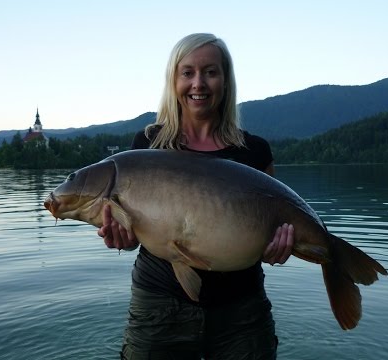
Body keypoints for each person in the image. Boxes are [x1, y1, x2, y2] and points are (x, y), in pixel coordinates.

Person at [98, 33, 295, 360]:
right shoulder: (147, 145)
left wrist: (277, 247)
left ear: (225, 80)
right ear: (173, 80)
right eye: (187, 72)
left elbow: (269, 230)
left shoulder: (255, 151)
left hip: (242, 312)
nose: (198, 83)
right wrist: (121, 238)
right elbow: (139, 236)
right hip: (159, 306)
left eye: (210, 72)